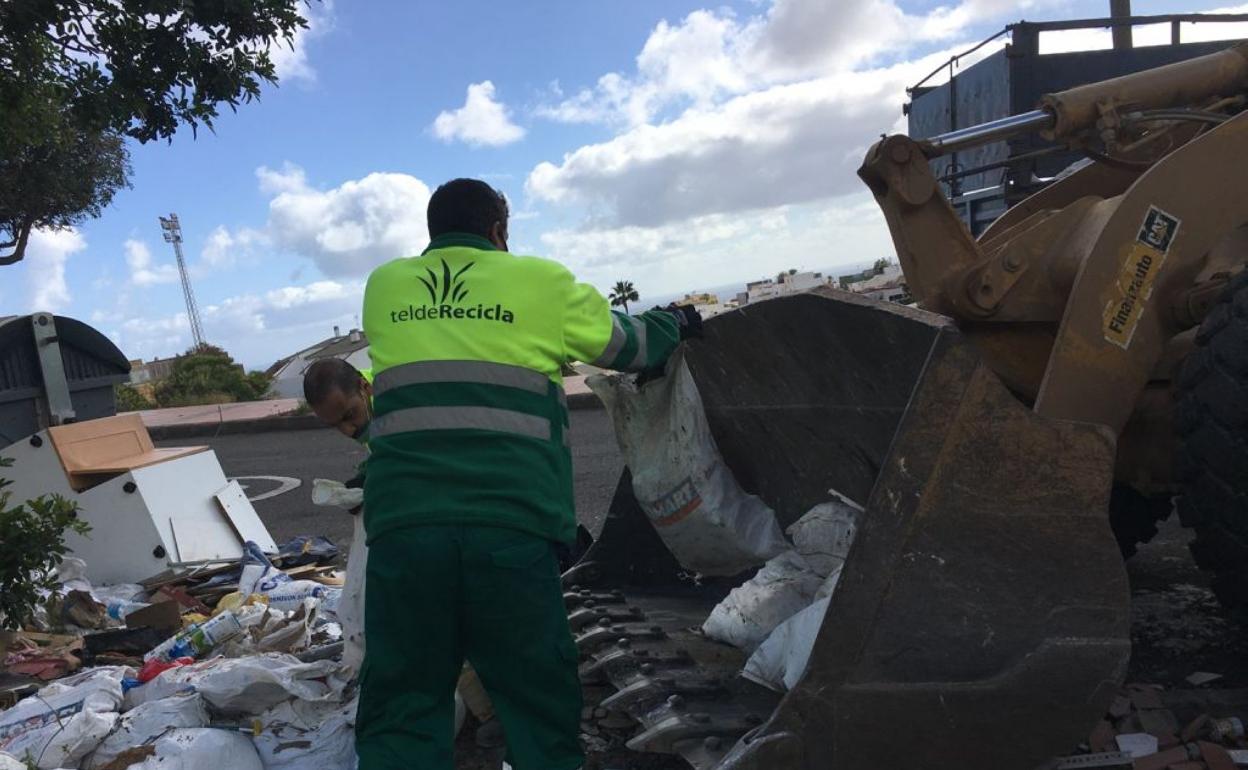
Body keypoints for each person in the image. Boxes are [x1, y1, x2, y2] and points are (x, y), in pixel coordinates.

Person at [356, 178, 700, 770]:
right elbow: (630, 346)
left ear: (433, 233)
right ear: (500, 231)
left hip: (404, 529)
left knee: (403, 698)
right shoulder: (540, 281)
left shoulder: (383, 286)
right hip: (510, 526)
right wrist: (676, 322)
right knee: (535, 692)